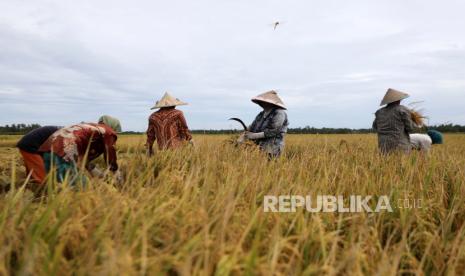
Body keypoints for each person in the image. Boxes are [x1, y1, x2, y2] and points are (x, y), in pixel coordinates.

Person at [38, 116, 122, 185]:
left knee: (58, 186)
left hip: (47, 151)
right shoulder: (108, 131)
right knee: (82, 187)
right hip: (64, 152)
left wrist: (101, 177)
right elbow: (110, 154)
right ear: (113, 126)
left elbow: (84, 161)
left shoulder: (91, 128)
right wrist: (115, 171)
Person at [243, 90, 289, 158]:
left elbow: (273, 131)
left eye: (263, 101)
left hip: (273, 148)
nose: (261, 103)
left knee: (271, 166)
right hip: (259, 147)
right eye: (261, 102)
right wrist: (243, 136)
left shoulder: (279, 113)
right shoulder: (261, 114)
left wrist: (254, 136)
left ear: (270, 103)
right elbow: (252, 127)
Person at [372, 88, 415, 154]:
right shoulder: (402, 110)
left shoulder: (379, 112)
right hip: (400, 146)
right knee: (401, 163)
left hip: (383, 146)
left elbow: (374, 126)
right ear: (398, 100)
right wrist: (413, 120)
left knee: (385, 163)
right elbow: (410, 128)